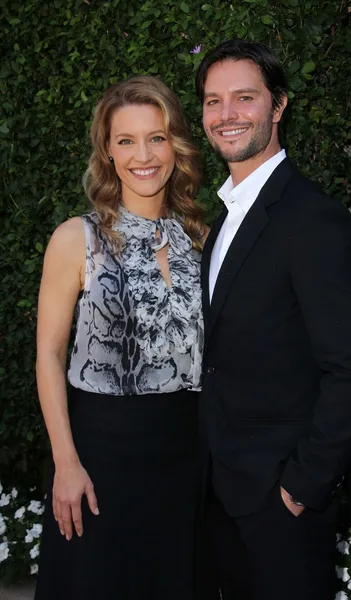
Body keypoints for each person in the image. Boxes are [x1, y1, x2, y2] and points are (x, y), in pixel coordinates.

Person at [195, 39, 351, 600]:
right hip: (219, 496)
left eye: (244, 98)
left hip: (280, 506)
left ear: (278, 107)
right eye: (212, 101)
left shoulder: (312, 219)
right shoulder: (222, 219)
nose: (226, 115)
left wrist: (301, 487)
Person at [34, 75, 206, 600]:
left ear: (175, 146)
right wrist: (66, 462)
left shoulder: (200, 238)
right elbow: (48, 354)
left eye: (156, 137)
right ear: (107, 151)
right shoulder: (76, 238)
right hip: (101, 460)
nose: (143, 155)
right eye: (126, 140)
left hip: (186, 458)